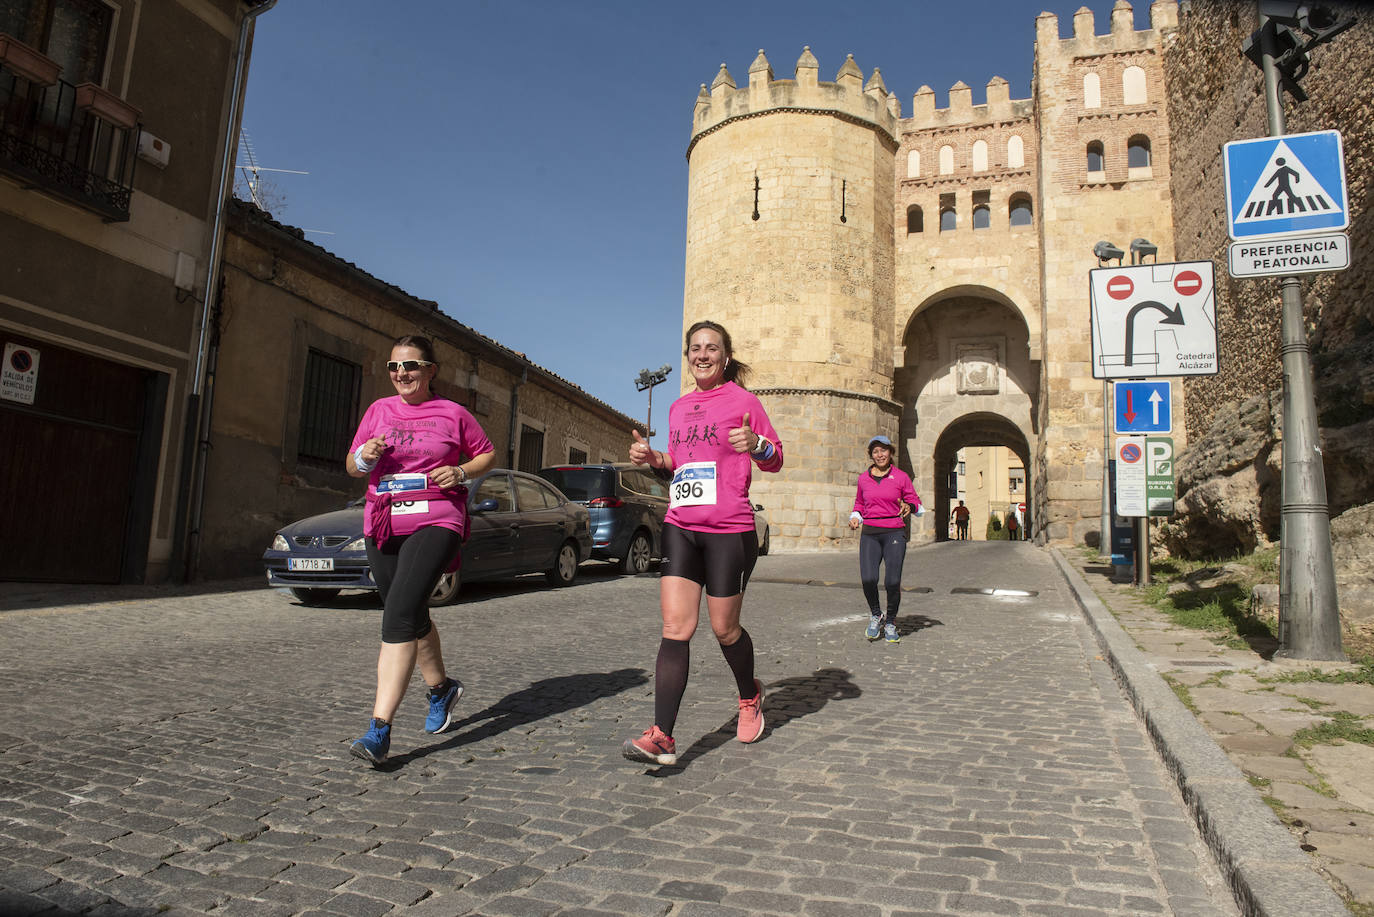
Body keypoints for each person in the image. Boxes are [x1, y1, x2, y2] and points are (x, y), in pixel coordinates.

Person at [621, 320, 784, 766]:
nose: (703, 354)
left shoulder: (745, 402)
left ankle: (750, 696)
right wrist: (655, 459)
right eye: (695, 348)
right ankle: (663, 736)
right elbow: (679, 465)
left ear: (726, 357)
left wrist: (756, 444)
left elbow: (776, 458)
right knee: (676, 628)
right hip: (681, 524)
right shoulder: (678, 408)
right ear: (688, 355)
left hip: (729, 529)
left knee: (724, 629)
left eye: (712, 348)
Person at [346, 334, 496, 766]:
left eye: (410, 366)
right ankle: (441, 689)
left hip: (437, 517)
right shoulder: (378, 411)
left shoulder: (453, 413)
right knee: (408, 612)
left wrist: (460, 469)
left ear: (430, 370)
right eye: (394, 367)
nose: (402, 374)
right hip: (383, 519)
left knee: (397, 615)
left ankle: (379, 730)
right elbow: (352, 465)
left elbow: (485, 454)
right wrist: (365, 456)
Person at [848, 435, 921, 644]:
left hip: (894, 533)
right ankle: (875, 613)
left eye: (884, 450)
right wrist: (855, 517)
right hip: (870, 533)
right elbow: (859, 503)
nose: (880, 455)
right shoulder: (864, 478)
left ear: (891, 453)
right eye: (875, 451)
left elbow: (914, 500)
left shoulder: (901, 477)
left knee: (892, 581)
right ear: (871, 455)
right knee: (868, 579)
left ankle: (890, 621)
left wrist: (909, 506)